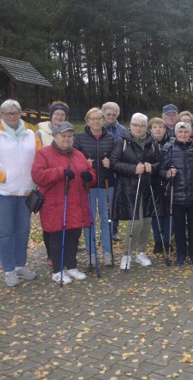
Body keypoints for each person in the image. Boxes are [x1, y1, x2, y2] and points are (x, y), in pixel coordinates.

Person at [0, 99, 41, 287]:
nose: (12, 116)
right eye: (8, 113)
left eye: (15, 113)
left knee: (23, 231)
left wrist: (36, 178)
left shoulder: (31, 134)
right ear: (1, 115)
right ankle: (9, 270)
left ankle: (20, 265)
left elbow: (39, 159)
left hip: (26, 192)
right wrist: (4, 177)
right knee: (6, 232)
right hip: (3, 192)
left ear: (20, 114)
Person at [32, 121, 96, 284]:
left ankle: (71, 266)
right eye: (63, 136)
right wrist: (60, 172)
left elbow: (90, 172)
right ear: (55, 136)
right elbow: (38, 175)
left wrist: (90, 176)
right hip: (55, 205)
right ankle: (58, 270)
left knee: (73, 236)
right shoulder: (44, 154)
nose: (67, 139)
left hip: (75, 204)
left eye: (70, 136)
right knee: (57, 238)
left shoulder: (78, 154)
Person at [110, 113, 163, 270]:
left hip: (149, 187)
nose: (138, 128)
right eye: (135, 125)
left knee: (147, 222)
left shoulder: (152, 143)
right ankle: (126, 254)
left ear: (146, 127)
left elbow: (160, 162)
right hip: (129, 188)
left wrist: (151, 167)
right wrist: (134, 169)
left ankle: (141, 252)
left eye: (141, 125)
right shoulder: (122, 142)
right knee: (136, 222)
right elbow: (114, 163)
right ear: (130, 125)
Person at [160, 122, 193, 266]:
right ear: (176, 133)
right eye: (180, 132)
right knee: (179, 226)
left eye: (185, 132)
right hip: (176, 195)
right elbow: (161, 171)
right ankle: (181, 253)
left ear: (190, 133)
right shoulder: (168, 148)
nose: (183, 134)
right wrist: (168, 173)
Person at [73, 107, 116, 267]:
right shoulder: (80, 138)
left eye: (99, 118)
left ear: (103, 120)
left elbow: (116, 158)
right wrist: (83, 165)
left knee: (106, 219)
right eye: (93, 118)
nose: (96, 121)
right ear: (87, 120)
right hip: (88, 185)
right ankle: (91, 253)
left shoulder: (111, 138)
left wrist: (110, 163)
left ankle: (107, 252)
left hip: (107, 183)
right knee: (89, 219)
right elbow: (74, 158)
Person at [35, 100, 70, 264]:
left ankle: (66, 247)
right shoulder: (40, 133)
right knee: (49, 219)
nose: (59, 117)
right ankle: (51, 253)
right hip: (49, 180)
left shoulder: (68, 132)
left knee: (65, 216)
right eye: (57, 114)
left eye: (62, 115)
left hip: (65, 180)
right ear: (51, 116)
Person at [102, 101, 126, 242]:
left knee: (116, 200)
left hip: (118, 169)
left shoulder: (122, 130)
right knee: (106, 202)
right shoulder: (99, 127)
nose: (111, 116)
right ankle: (105, 228)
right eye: (108, 114)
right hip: (103, 169)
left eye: (114, 114)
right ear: (104, 114)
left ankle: (114, 229)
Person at [146, 117, 170, 256]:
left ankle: (166, 240)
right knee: (155, 213)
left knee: (167, 212)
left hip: (167, 182)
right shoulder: (147, 144)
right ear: (150, 129)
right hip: (152, 182)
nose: (158, 129)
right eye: (155, 127)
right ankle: (158, 241)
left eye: (160, 127)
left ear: (165, 129)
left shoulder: (171, 143)